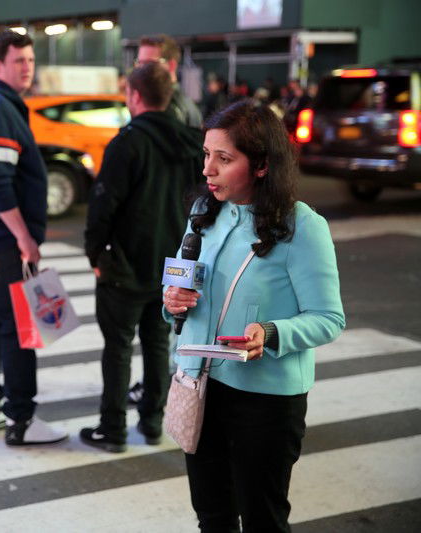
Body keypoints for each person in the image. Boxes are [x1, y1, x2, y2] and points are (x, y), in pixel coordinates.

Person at [163, 100, 345, 531]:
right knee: (212, 516)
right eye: (206, 155)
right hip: (201, 386)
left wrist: (271, 332)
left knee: (263, 519)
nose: (208, 170)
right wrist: (171, 300)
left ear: (261, 165)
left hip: (265, 403)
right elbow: (178, 286)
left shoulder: (302, 226)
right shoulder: (203, 214)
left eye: (224, 159)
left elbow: (328, 317)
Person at [80, 63, 203, 453]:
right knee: (157, 340)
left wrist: (95, 252)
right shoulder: (192, 142)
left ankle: (112, 428)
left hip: (126, 265)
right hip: (175, 265)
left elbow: (104, 205)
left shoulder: (127, 142)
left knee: (117, 347)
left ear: (134, 96)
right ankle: (152, 421)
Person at [0, 30, 67, 446]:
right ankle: (21, 418)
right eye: (18, 61)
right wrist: (25, 238)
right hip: (1, 238)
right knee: (20, 325)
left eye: (30, 60)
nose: (27, 68)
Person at [137, 34, 203, 129]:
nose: (141, 69)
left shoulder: (167, 107)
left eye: (149, 64)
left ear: (171, 65)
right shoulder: (184, 103)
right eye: (139, 63)